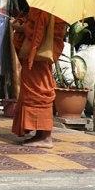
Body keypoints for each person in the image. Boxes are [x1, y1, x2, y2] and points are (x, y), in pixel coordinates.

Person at [11, 8, 67, 148]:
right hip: (44, 53)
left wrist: (20, 27)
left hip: (37, 54)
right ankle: (41, 134)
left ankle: (46, 137)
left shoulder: (44, 8)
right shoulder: (58, 10)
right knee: (39, 89)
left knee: (39, 91)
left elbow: (35, 31)